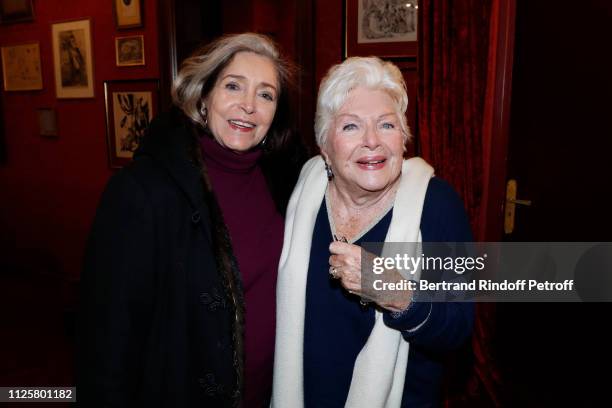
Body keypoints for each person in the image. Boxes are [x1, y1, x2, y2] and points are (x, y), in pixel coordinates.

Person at [78, 33, 305, 407]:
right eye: (233, 86)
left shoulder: (285, 182)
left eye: (266, 94)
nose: (248, 105)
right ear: (203, 96)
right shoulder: (143, 190)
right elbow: (106, 339)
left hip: (271, 395)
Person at [272, 57, 474, 407]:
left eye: (386, 125)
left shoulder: (439, 204)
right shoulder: (299, 193)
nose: (372, 142)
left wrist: (396, 293)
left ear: (404, 137)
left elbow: (458, 328)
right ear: (325, 146)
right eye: (351, 127)